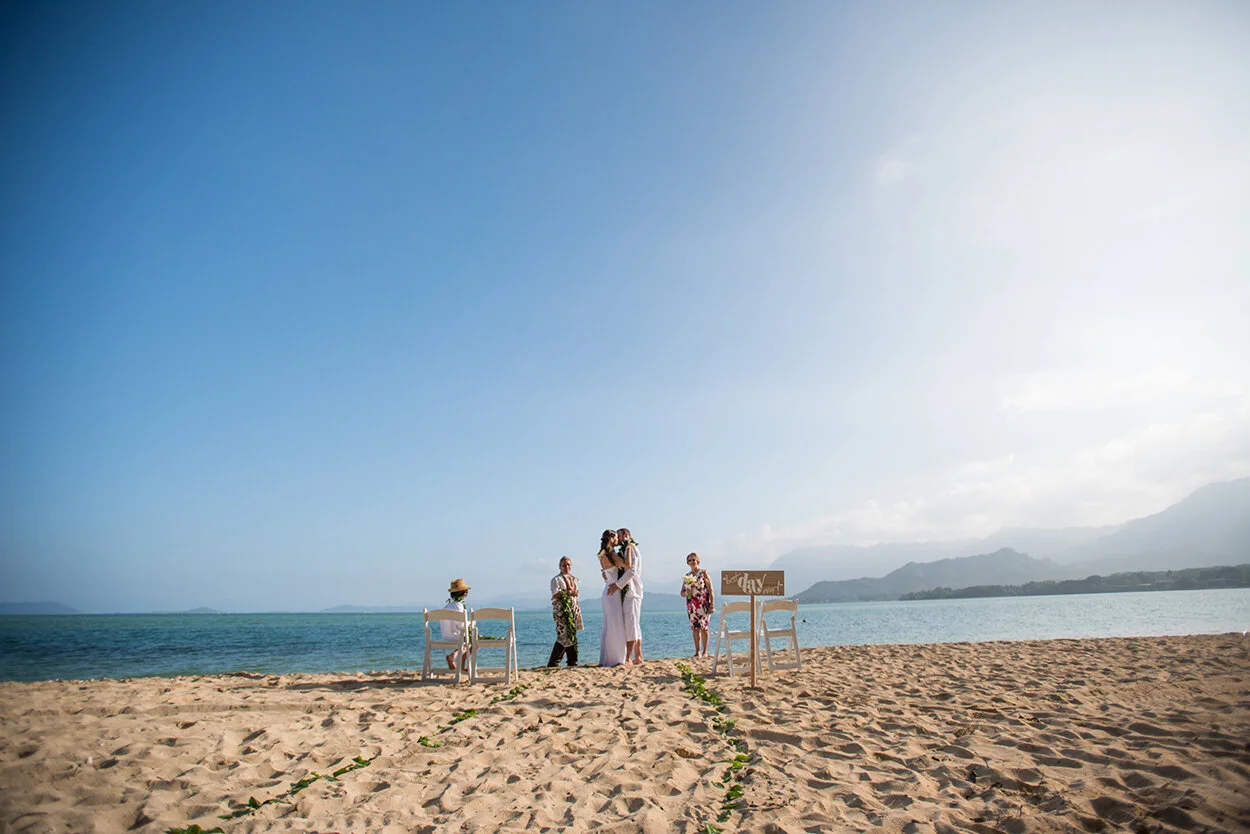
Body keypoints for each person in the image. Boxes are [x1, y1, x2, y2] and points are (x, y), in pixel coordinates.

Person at [597, 530, 628, 667]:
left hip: (607, 590)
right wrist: (629, 547)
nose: (617, 539)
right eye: (616, 537)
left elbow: (605, 573)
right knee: (615, 624)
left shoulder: (602, 554)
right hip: (613, 592)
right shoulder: (612, 554)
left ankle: (606, 658)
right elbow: (627, 565)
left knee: (609, 625)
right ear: (611, 538)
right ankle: (616, 658)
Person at [547, 556, 584, 667]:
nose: (566, 567)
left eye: (568, 565)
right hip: (561, 610)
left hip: (573, 609)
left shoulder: (573, 579)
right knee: (563, 635)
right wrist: (568, 592)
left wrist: (574, 593)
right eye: (564, 565)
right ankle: (554, 661)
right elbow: (555, 594)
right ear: (560, 567)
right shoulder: (556, 580)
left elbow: (575, 593)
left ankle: (571, 661)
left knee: (571, 633)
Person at [616, 527, 643, 665]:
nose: (618, 539)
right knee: (635, 624)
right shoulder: (627, 549)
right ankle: (638, 656)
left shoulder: (631, 548)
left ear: (626, 536)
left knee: (631, 624)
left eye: (619, 536)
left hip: (632, 591)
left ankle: (629, 658)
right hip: (631, 591)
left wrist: (618, 585)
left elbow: (631, 571)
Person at [680, 552, 715, 657]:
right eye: (690, 560)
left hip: (702, 604)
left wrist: (712, 604)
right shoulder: (687, 576)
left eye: (693, 560)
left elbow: (710, 589)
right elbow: (682, 592)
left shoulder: (703, 573)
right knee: (695, 628)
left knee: (704, 628)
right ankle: (697, 651)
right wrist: (686, 593)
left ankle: (705, 651)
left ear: (697, 561)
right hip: (692, 605)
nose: (692, 562)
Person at [442, 578, 471, 671]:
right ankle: (455, 657)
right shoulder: (458, 606)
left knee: (467, 642)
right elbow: (462, 626)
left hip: (446, 636)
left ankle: (457, 660)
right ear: (464, 593)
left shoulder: (447, 606)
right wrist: (470, 624)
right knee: (473, 643)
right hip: (456, 636)